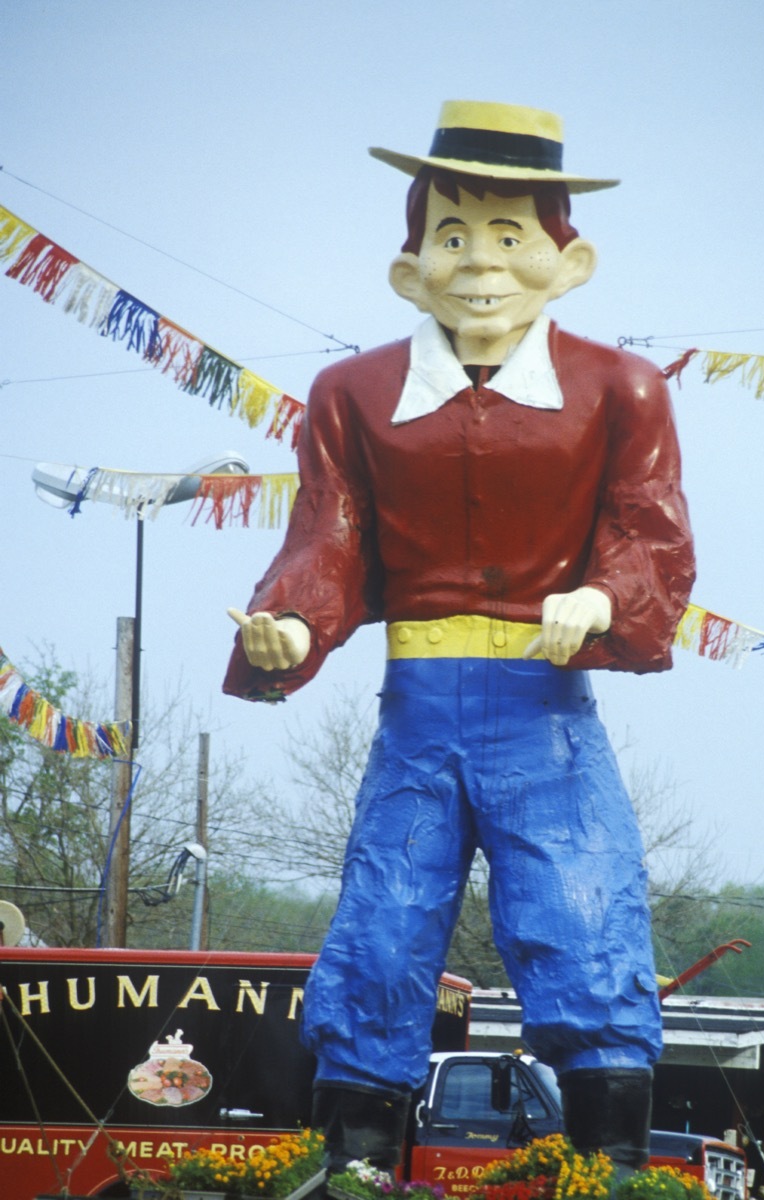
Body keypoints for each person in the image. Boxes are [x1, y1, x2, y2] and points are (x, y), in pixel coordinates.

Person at [224, 100, 695, 1181]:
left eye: (507, 235)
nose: (478, 263)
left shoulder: (621, 388)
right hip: (417, 706)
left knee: (581, 912)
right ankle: (353, 1162)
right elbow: (328, 540)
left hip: (548, 708)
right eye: (451, 235)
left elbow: (651, 528)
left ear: (567, 260)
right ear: (409, 269)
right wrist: (291, 622)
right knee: (383, 922)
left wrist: (607, 597)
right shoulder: (351, 395)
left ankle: (606, 1165)